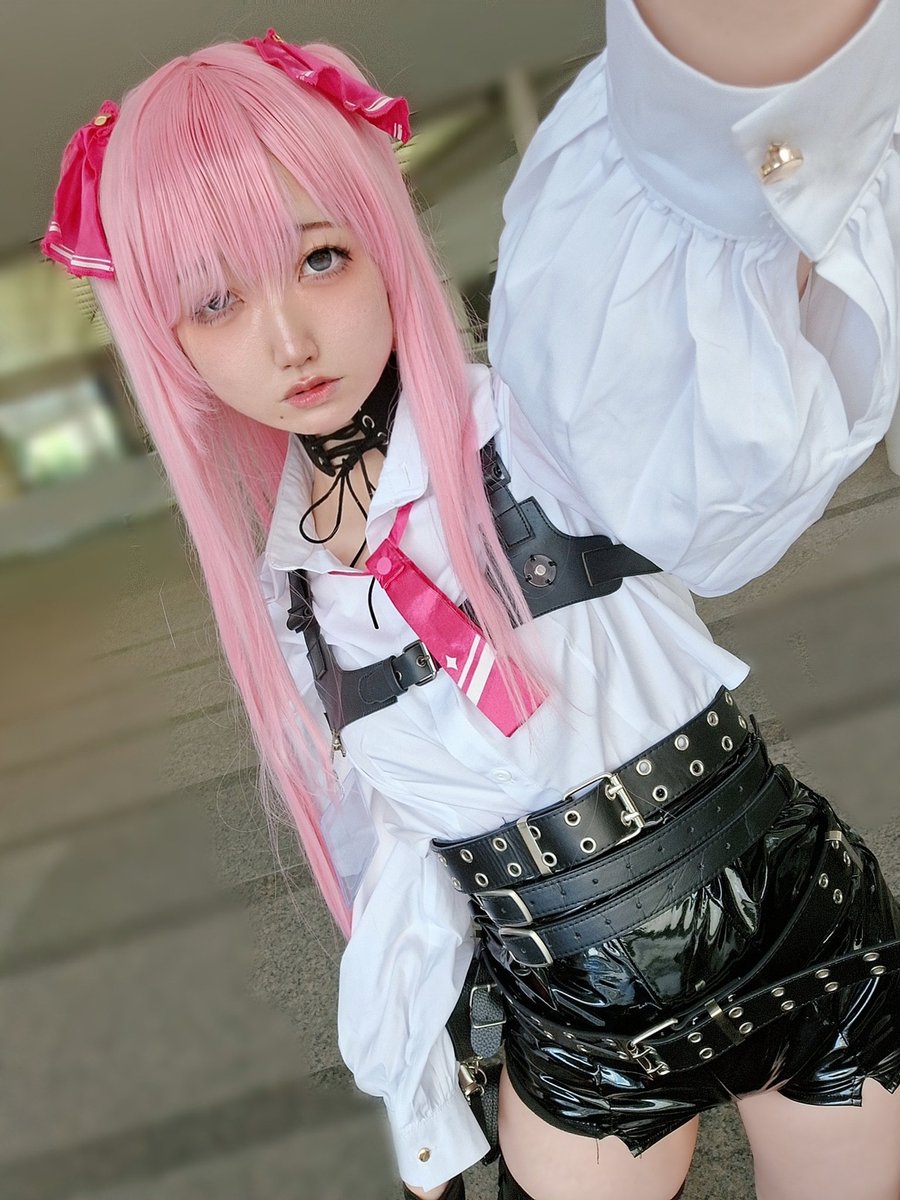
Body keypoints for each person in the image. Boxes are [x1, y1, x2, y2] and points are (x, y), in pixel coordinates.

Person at [41, 3, 900, 1198]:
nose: (287, 340)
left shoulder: (545, 415)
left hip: (798, 938)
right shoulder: (293, 604)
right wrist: (423, 1107)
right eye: (215, 303)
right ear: (165, 343)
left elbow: (691, 204)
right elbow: (389, 858)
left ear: (382, 232)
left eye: (321, 257)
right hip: (577, 1020)